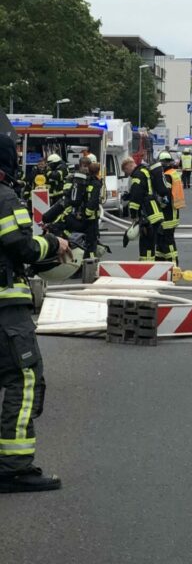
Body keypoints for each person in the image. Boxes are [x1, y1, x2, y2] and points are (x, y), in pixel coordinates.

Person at [0, 133, 67, 492]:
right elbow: (20, 245)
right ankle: (13, 468)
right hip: (5, 311)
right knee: (23, 379)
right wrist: (54, 243)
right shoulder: (5, 198)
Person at [124, 157, 165, 262]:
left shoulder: (137, 175)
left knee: (146, 243)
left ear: (129, 165)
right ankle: (148, 263)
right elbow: (145, 190)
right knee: (150, 241)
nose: (127, 174)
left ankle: (146, 265)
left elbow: (137, 196)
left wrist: (133, 214)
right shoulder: (144, 171)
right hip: (154, 211)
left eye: (126, 170)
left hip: (148, 213)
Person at [157, 152, 182, 263]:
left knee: (167, 239)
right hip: (174, 210)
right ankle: (160, 261)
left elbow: (165, 196)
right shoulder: (173, 173)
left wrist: (158, 205)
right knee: (162, 240)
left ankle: (173, 263)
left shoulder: (166, 176)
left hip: (168, 213)